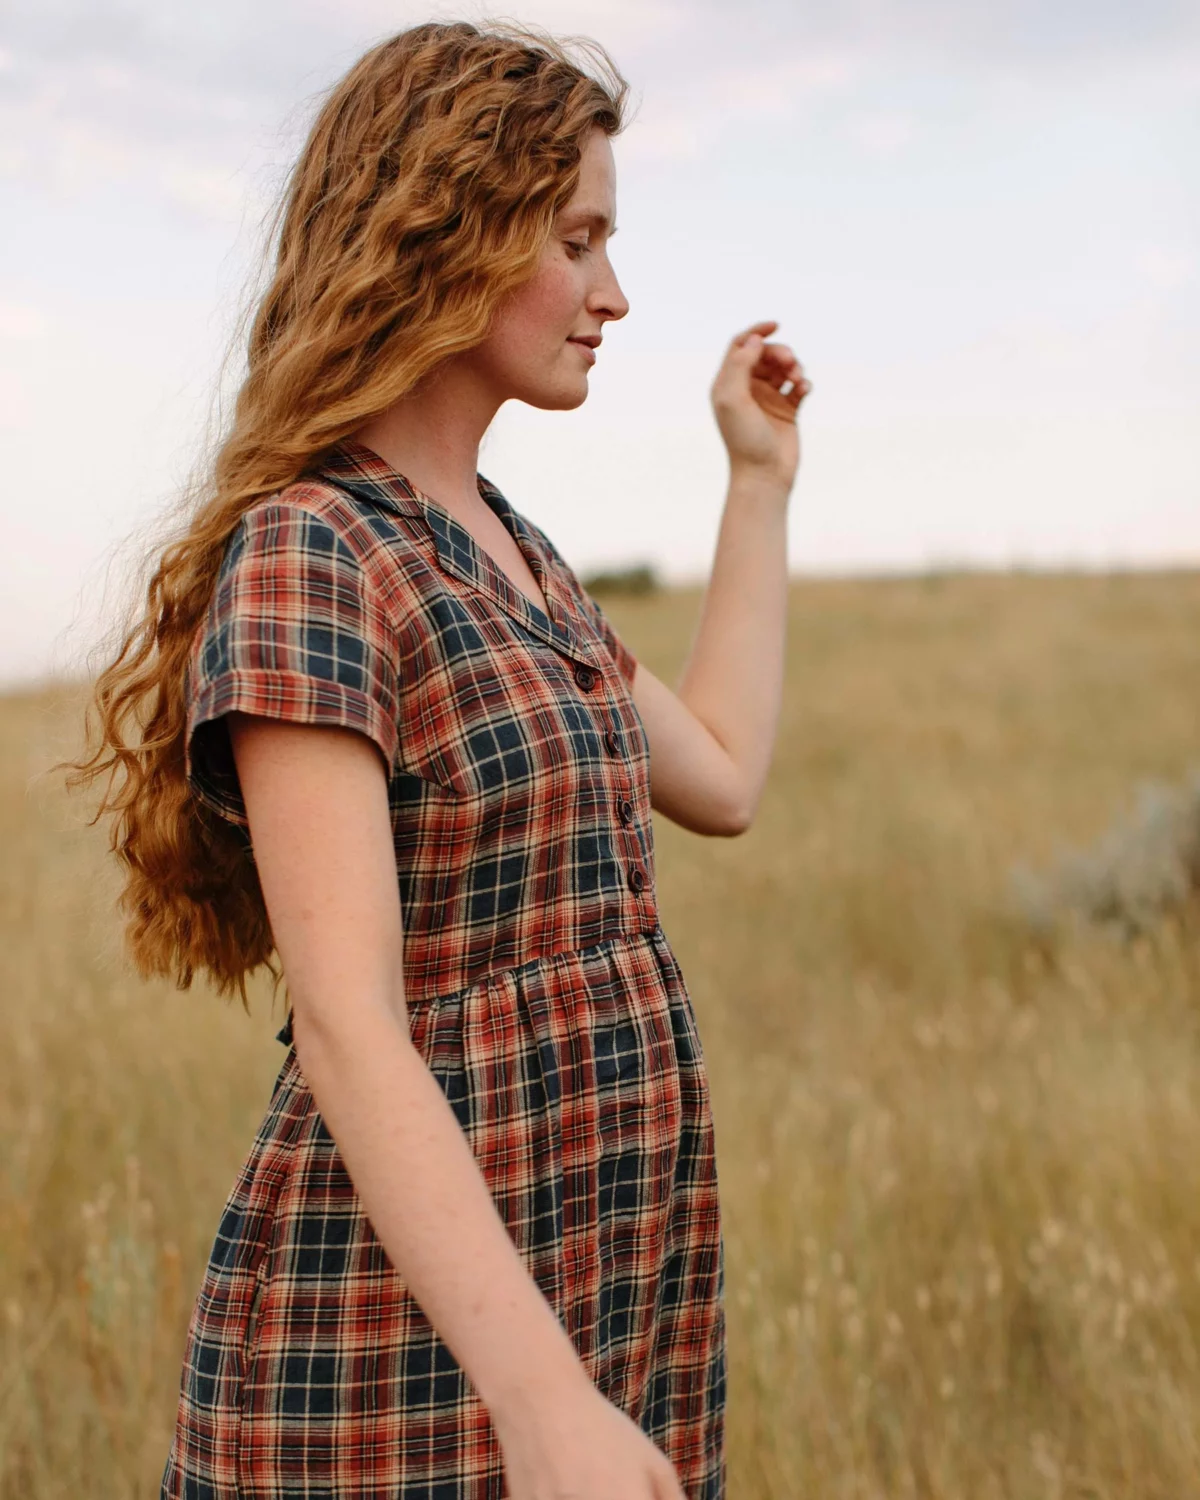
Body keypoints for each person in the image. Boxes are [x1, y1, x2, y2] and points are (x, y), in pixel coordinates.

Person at [66, 18, 809, 1499]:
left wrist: (757, 484)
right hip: (398, 1343)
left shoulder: (513, 550)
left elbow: (720, 773)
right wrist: (540, 1404)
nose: (614, 292)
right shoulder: (312, 553)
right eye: (578, 238)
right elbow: (349, 1027)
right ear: (452, 235)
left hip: (595, 1269)